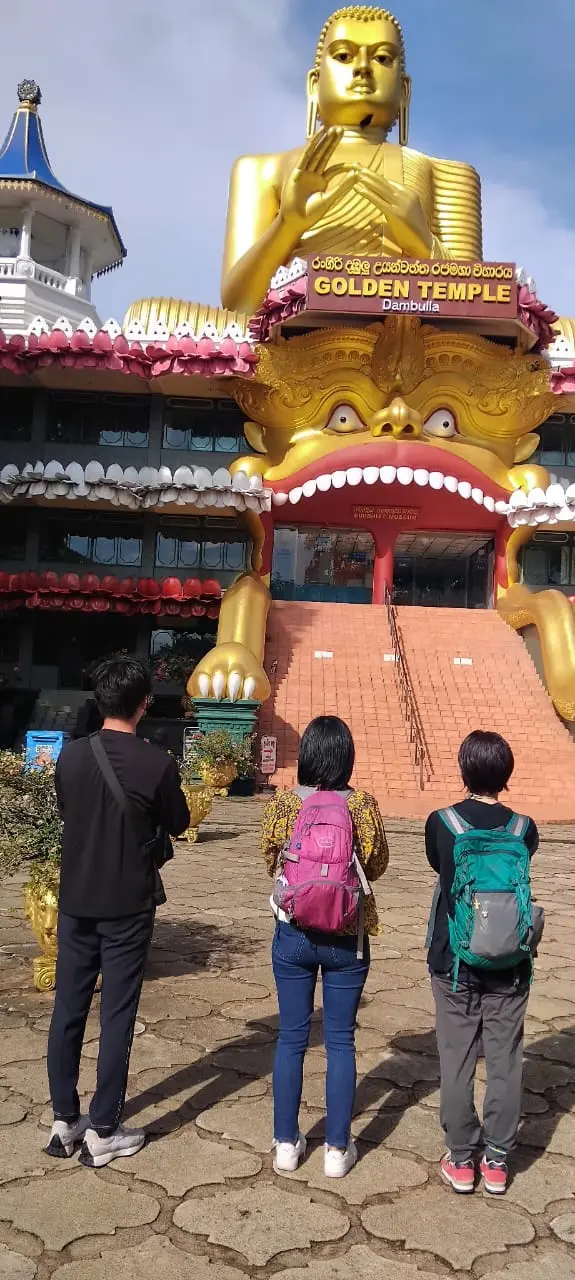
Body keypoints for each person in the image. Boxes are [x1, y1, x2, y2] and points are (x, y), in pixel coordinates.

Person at [45, 656, 190, 1167]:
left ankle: (64, 1119)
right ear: (144, 703)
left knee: (68, 1009)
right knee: (117, 1013)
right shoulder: (156, 763)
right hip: (127, 905)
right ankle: (103, 1127)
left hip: (76, 900)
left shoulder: (71, 758)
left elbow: (69, 812)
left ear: (99, 699)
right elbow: (179, 820)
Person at [261, 716, 388, 1178]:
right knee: (340, 1040)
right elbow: (376, 866)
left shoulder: (283, 804)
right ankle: (337, 1149)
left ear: (307, 755)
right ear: (347, 757)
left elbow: (269, 857)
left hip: (293, 935)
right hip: (347, 938)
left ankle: (286, 1145)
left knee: (292, 1037)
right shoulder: (364, 807)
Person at [425, 730, 539, 1196]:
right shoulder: (523, 828)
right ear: (506, 774)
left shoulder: (443, 822)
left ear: (463, 769)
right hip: (510, 963)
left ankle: (460, 1159)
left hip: (453, 961)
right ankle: (496, 1161)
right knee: (507, 1059)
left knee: (457, 1057)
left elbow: (439, 867)